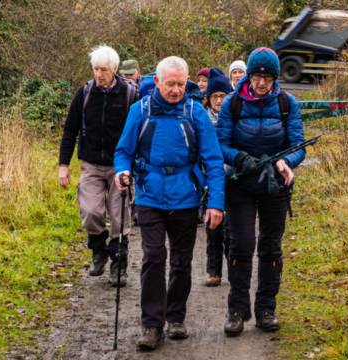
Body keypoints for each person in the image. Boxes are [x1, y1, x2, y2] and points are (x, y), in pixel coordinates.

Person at [114, 56, 225, 350]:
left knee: (180, 261)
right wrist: (122, 171)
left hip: (186, 197)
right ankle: (151, 325)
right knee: (153, 257)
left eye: (181, 84)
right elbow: (123, 151)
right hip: (150, 196)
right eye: (170, 84)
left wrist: (216, 202)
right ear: (158, 82)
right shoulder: (140, 110)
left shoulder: (195, 113)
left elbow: (213, 160)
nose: (176, 89)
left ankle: (176, 317)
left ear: (186, 82)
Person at [217, 48, 305, 336]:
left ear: (275, 78)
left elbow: (298, 145)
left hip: (274, 186)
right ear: (249, 76)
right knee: (241, 245)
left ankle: (266, 310)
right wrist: (239, 158)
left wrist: (285, 161)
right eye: (256, 76)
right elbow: (220, 144)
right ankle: (236, 311)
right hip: (240, 184)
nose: (261, 83)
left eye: (267, 78)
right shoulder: (233, 103)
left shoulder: (286, 103)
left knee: (270, 248)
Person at [58, 45, 139, 287]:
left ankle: (119, 265)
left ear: (115, 69)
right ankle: (99, 249)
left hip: (120, 165)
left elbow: (138, 131)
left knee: (119, 217)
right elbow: (69, 131)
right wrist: (64, 165)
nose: (99, 74)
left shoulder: (129, 95)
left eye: (103, 69)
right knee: (91, 211)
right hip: (91, 165)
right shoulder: (83, 94)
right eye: (95, 69)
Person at [201, 67, 232, 287]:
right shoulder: (201, 117)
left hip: (233, 176)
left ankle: (233, 268)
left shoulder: (235, 115)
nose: (219, 100)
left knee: (231, 228)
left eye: (222, 95)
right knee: (213, 227)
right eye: (214, 96)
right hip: (209, 180)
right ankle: (213, 271)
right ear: (208, 97)